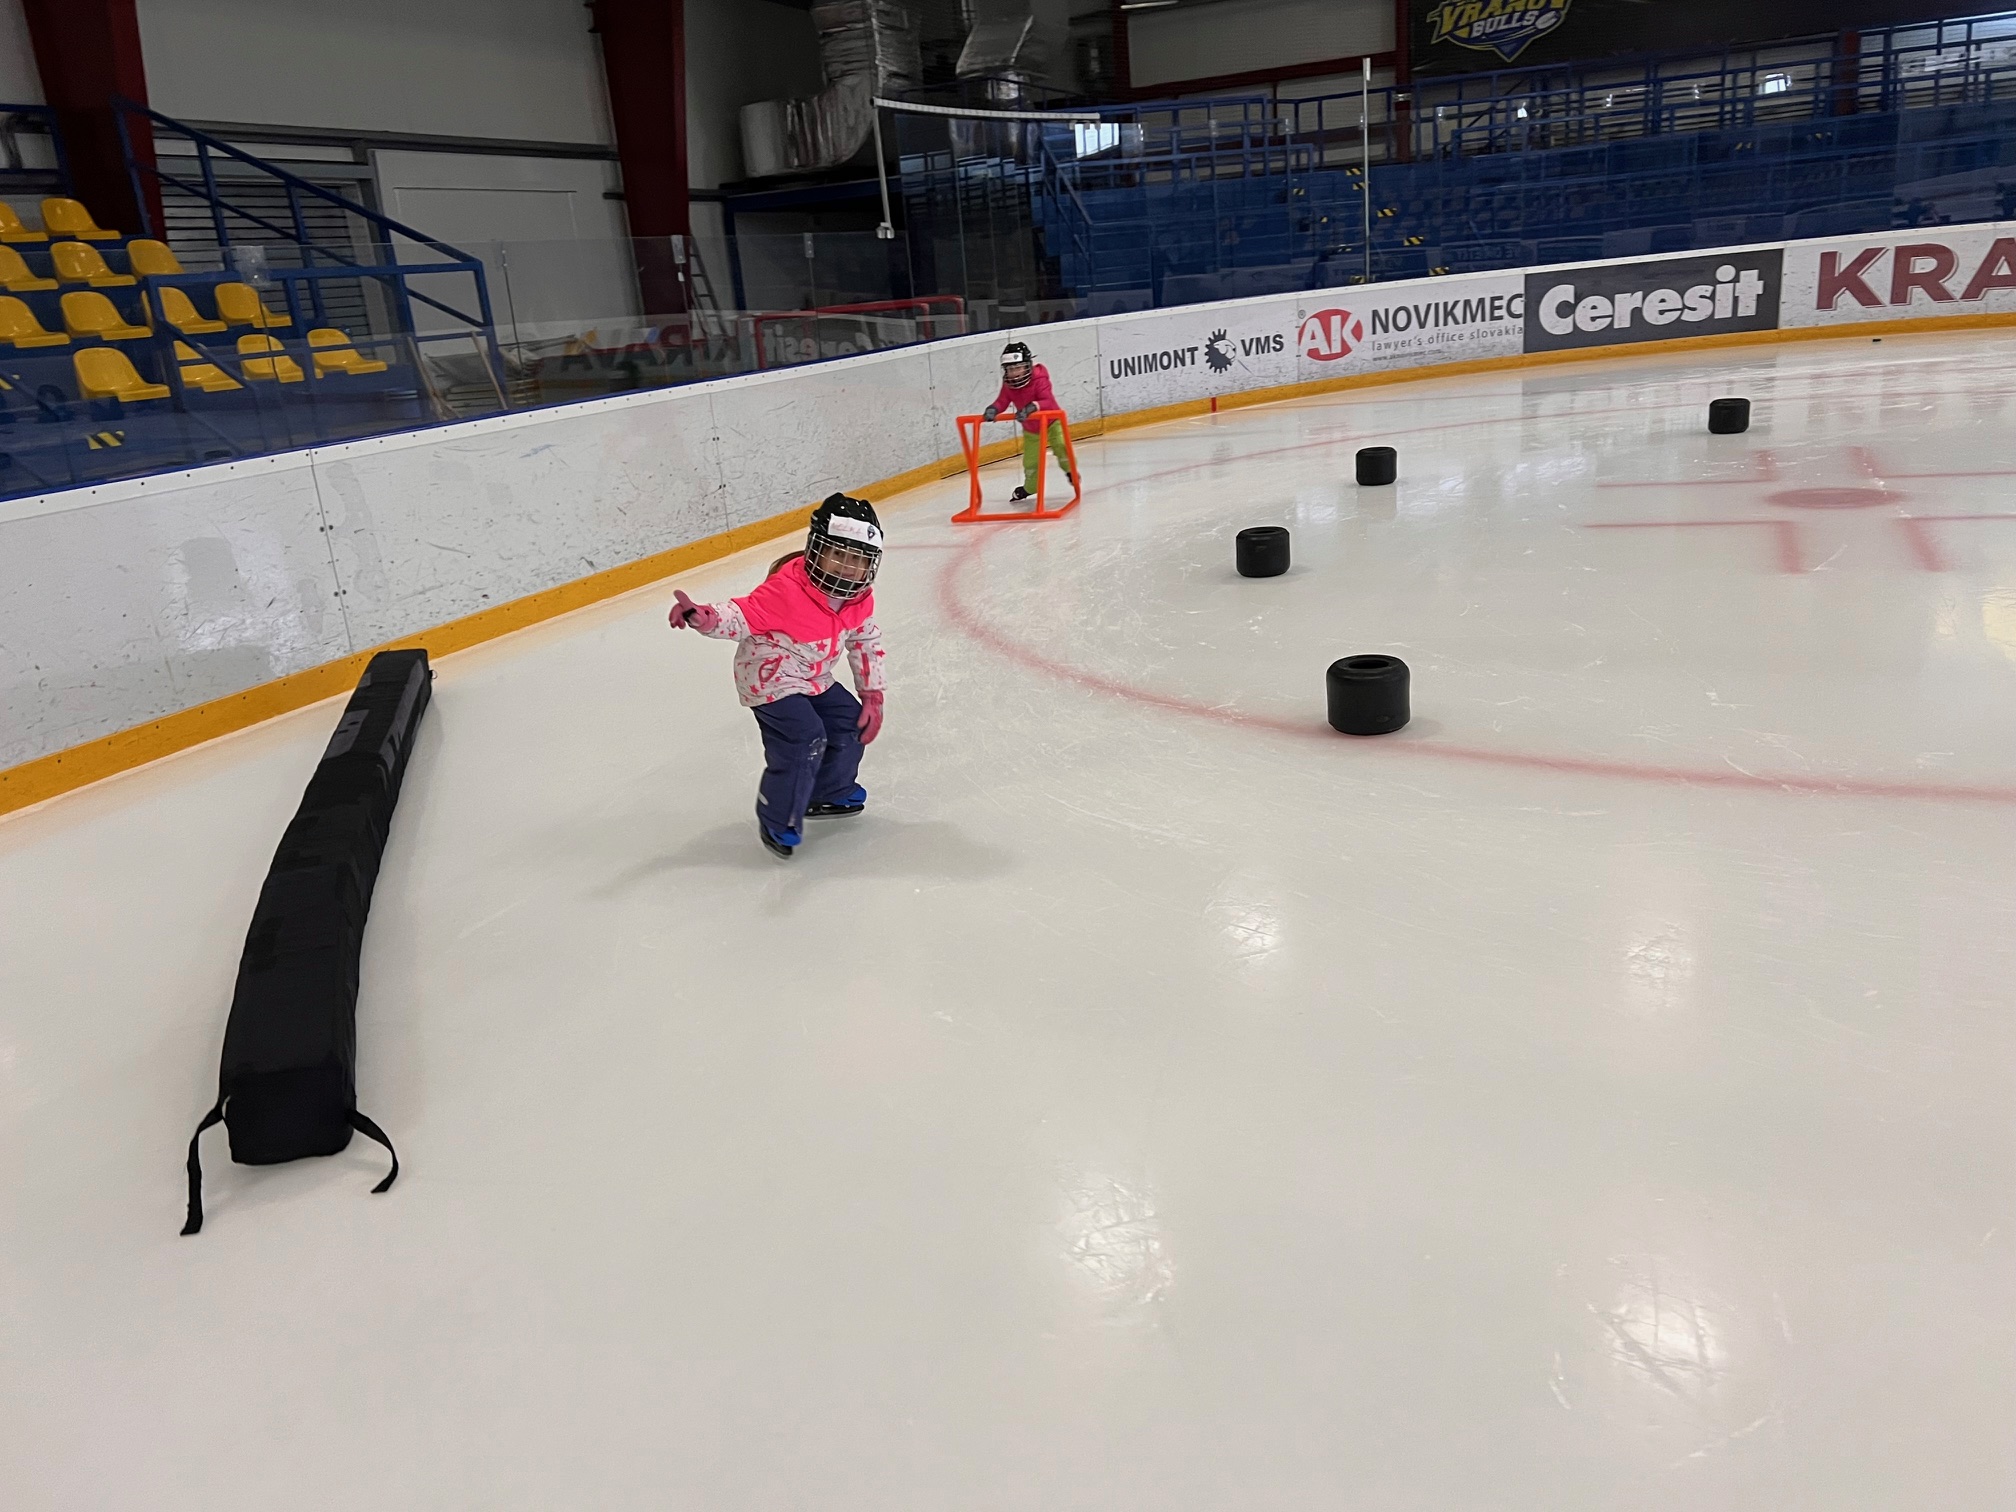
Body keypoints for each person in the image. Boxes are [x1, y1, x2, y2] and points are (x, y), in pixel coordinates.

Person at [668, 494, 887, 859]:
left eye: (858, 559)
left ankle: (829, 791)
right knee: (804, 738)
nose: (848, 567)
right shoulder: (786, 591)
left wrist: (872, 694)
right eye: (838, 554)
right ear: (817, 550)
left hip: (812, 675)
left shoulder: (859, 599)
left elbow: (865, 641)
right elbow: (740, 615)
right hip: (769, 677)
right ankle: (778, 817)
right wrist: (704, 617)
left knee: (849, 723)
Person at [983, 340, 1076, 503]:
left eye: (1017, 368)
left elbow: (1047, 400)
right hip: (1031, 429)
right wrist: (994, 409)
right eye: (1010, 369)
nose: (1014, 373)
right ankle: (1030, 488)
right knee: (1031, 462)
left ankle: (1070, 471)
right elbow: (1002, 401)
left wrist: (1032, 407)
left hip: (1052, 422)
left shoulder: (1039, 379)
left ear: (1027, 366)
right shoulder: (1009, 385)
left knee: (1061, 446)